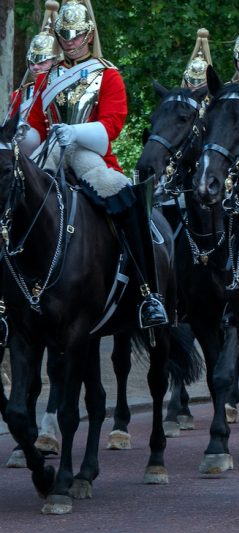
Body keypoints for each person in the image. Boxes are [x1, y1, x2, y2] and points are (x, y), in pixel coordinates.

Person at [26, 0, 167, 328]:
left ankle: (148, 294)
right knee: (15, 191)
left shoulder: (108, 74)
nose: (70, 41)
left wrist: (74, 130)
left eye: (76, 35)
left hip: (89, 154)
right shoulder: (47, 79)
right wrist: (19, 136)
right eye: (64, 35)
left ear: (89, 35)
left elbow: (112, 126)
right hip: (51, 152)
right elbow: (35, 127)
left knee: (123, 194)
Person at [4, 1, 60, 143]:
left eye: (42, 62)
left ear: (55, 62)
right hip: (26, 148)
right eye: (32, 63)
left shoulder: (63, 88)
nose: (35, 67)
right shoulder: (20, 94)